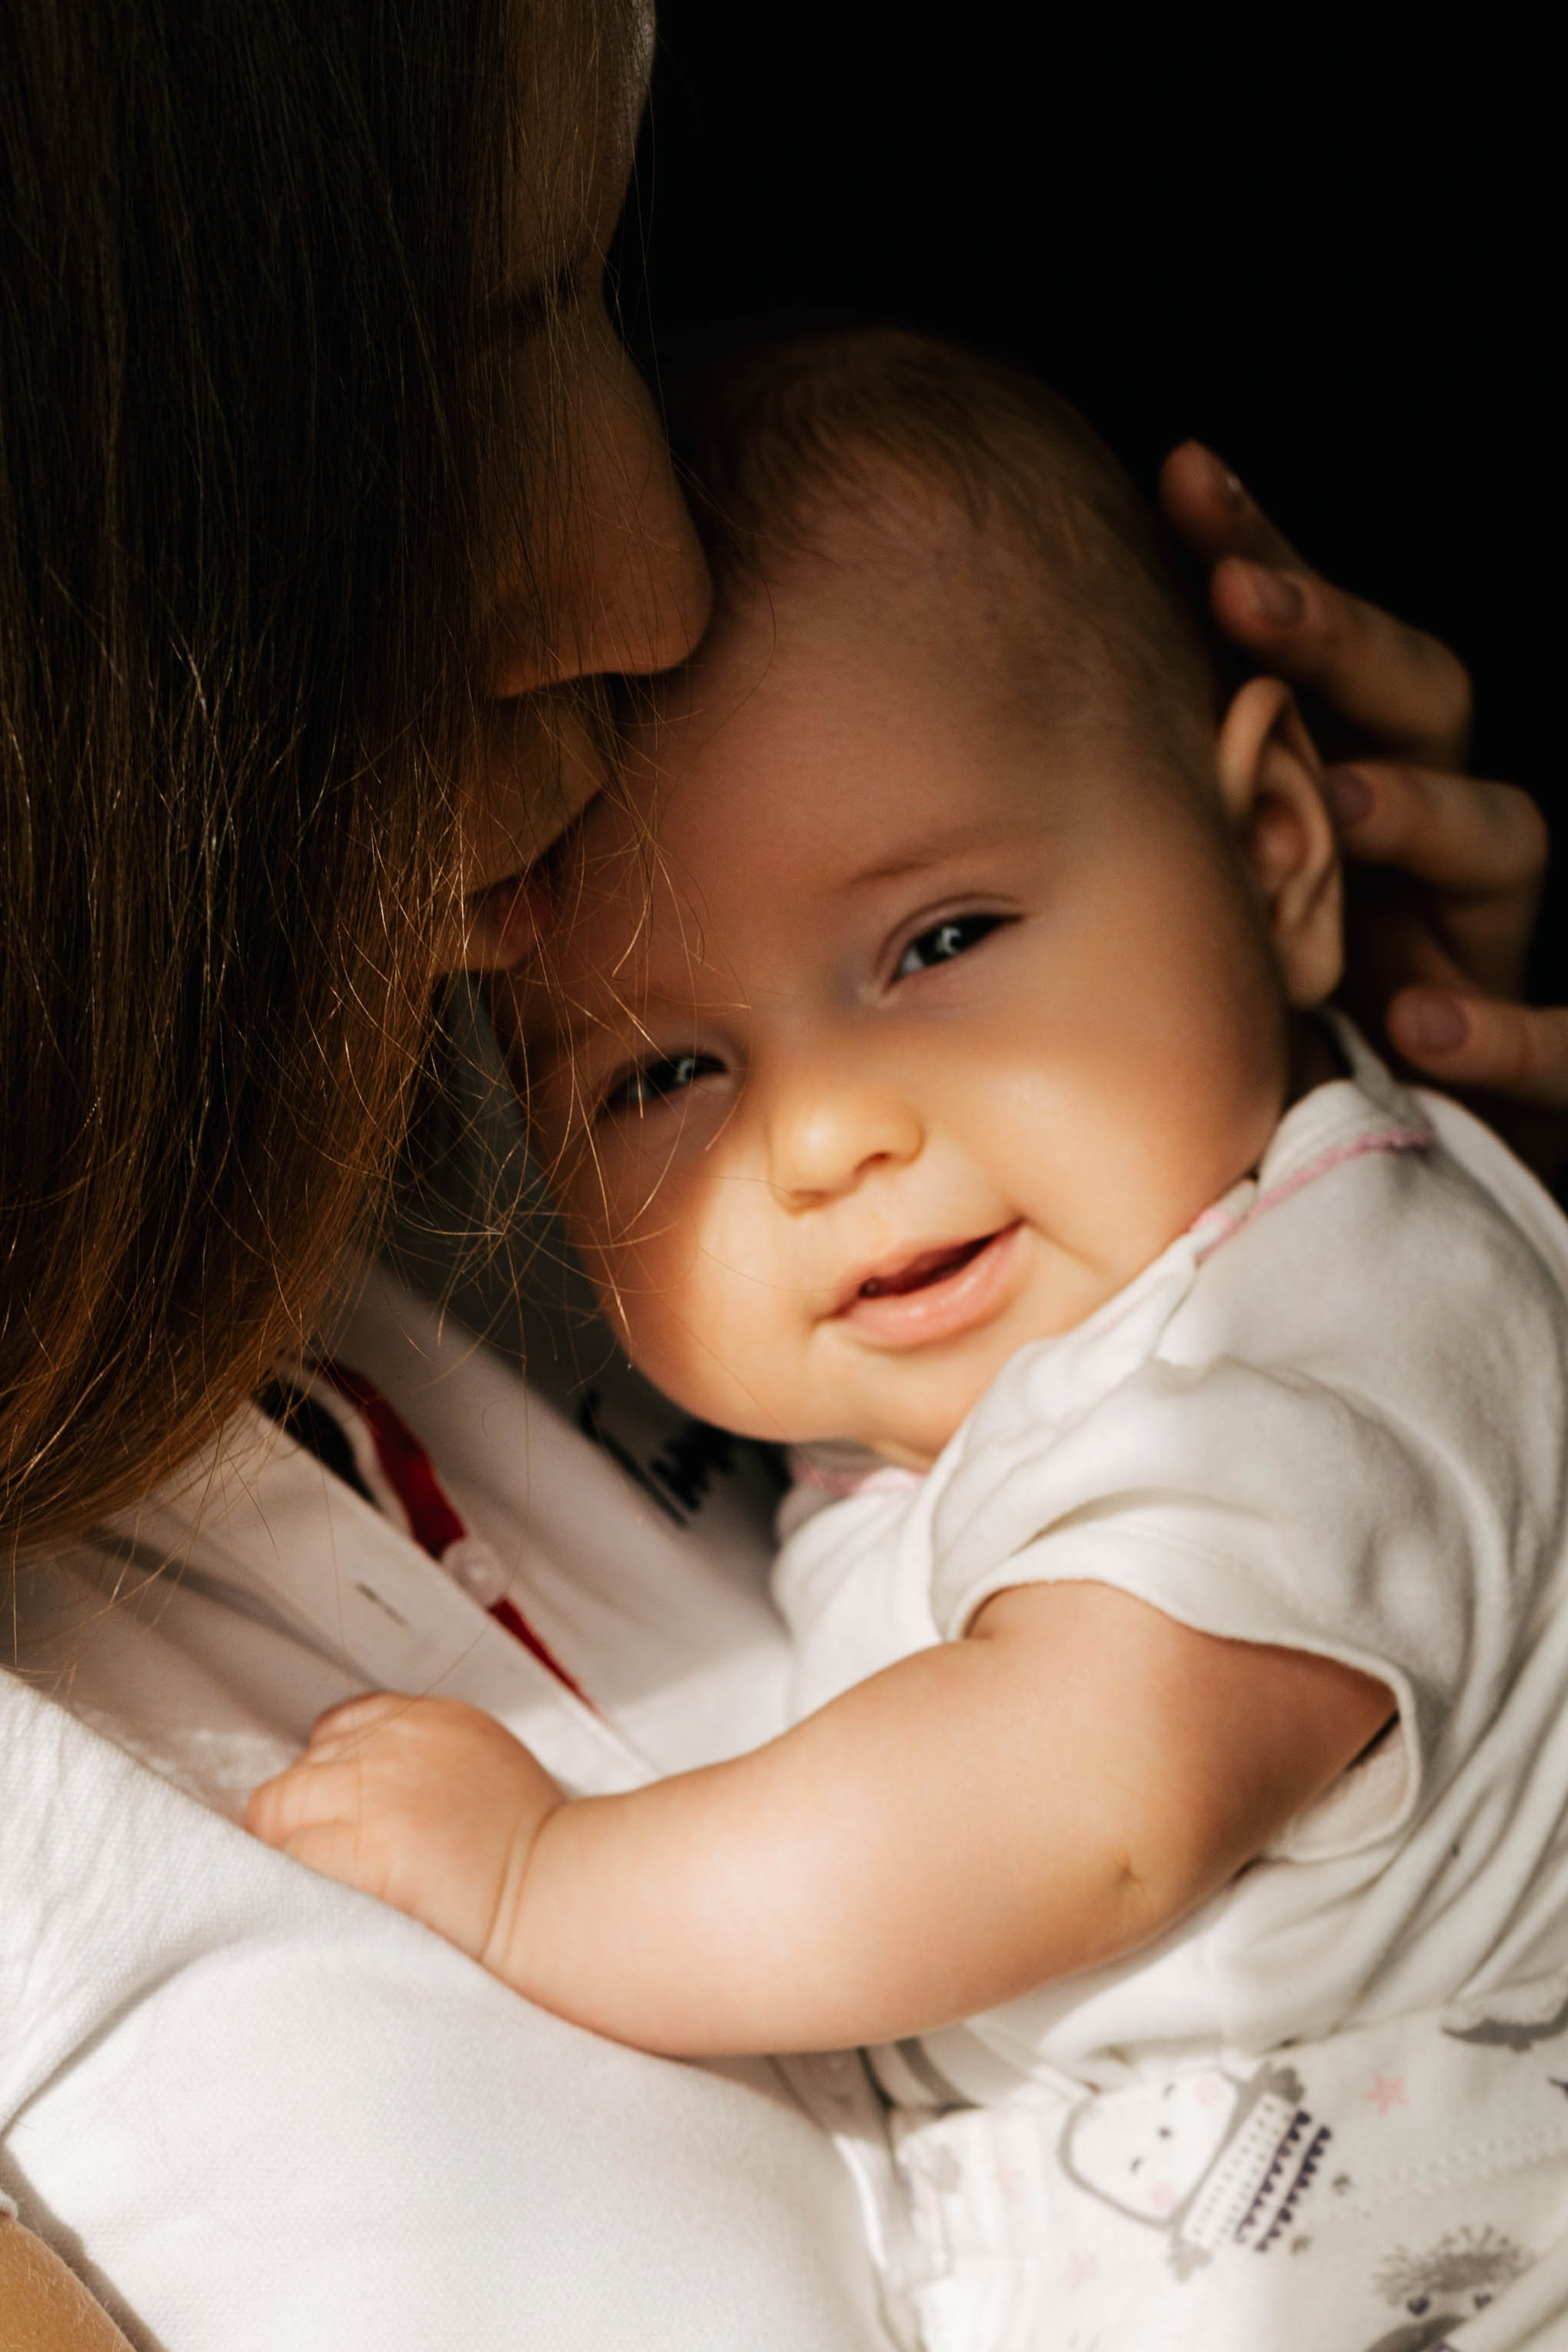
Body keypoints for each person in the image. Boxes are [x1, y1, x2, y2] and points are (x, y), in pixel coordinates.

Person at [1, 3, 1564, 2343]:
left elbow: (1090, 1778)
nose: (823, 1129)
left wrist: (552, 1880)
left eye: (944, 938)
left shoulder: (1289, 1326)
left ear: (1272, 840)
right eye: (659, 1077)